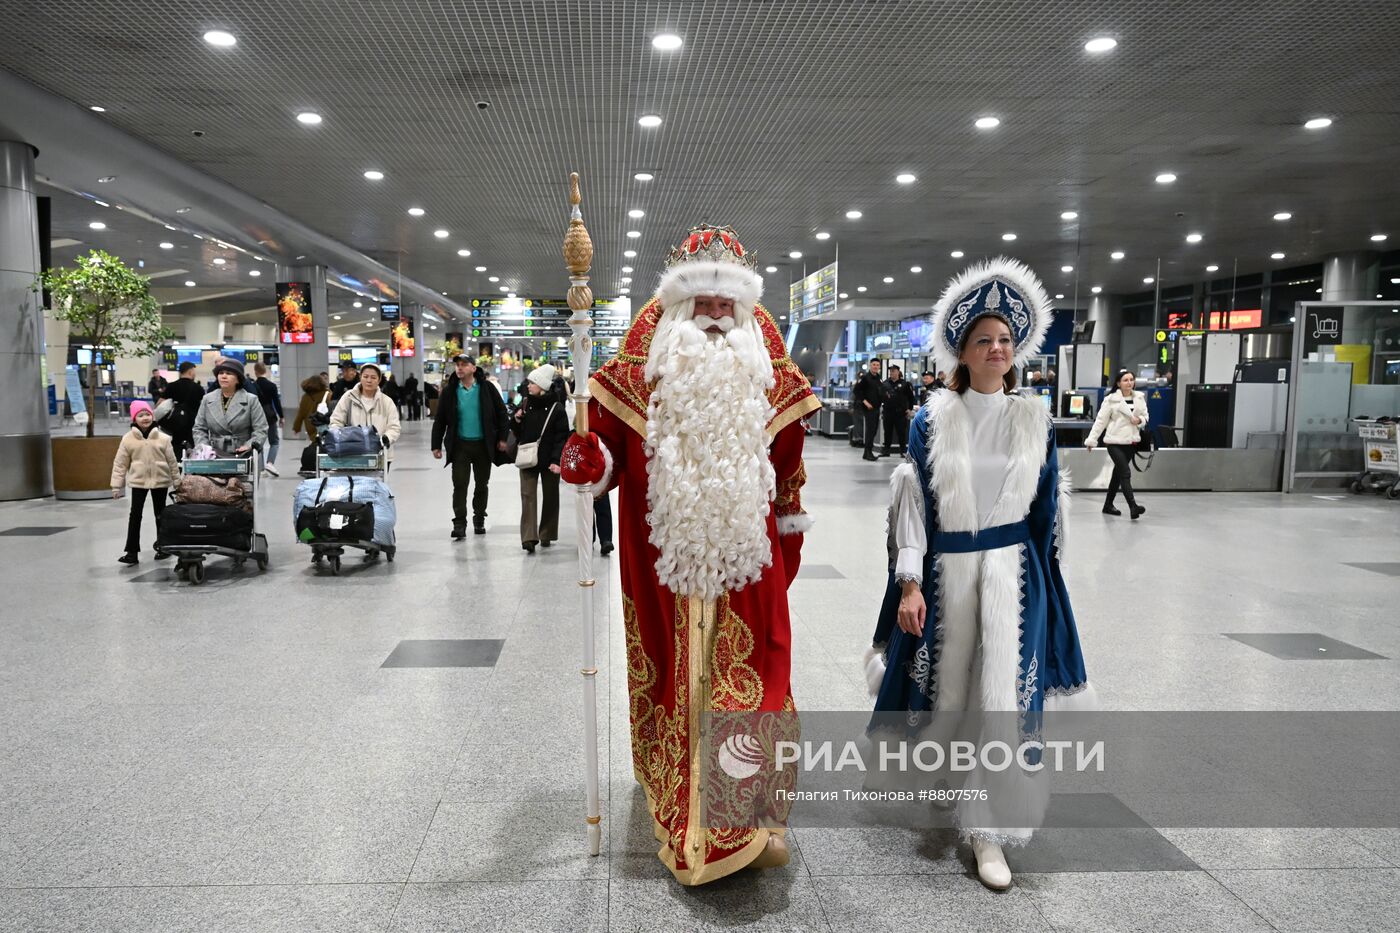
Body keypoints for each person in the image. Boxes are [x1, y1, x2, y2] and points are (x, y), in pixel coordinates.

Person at [561, 224, 821, 885]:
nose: (713, 312)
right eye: (700, 300)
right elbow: (607, 456)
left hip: (747, 563)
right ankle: (684, 814)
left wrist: (786, 545)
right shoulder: (639, 366)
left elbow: (788, 471)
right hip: (663, 569)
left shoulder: (766, 365)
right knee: (674, 682)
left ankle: (751, 819)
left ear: (742, 307)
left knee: (754, 673)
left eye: (724, 301)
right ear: (678, 304)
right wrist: (588, 461)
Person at [866, 258, 1094, 891]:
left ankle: (990, 831)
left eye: (1004, 339)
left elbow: (1048, 514)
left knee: (1004, 702)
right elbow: (912, 505)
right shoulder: (930, 420)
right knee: (947, 693)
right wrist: (909, 583)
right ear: (962, 352)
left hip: (1015, 583)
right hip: (946, 576)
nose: (997, 349)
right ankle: (949, 791)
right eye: (983, 340)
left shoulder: (1034, 421)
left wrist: (1048, 590)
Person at [431, 353, 509, 538]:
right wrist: (436, 444)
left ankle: (479, 518)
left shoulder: (487, 388)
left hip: (483, 446)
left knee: (482, 484)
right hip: (460, 447)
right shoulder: (450, 391)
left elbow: (502, 413)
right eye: (457, 365)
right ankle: (459, 523)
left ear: (473, 368)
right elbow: (440, 419)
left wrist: (503, 438)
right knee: (460, 485)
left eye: (464, 365)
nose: (459, 368)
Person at [111, 400, 179, 566]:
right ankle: (131, 551)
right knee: (135, 515)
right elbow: (120, 463)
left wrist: (177, 481)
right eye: (140, 415)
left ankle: (163, 547)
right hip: (138, 482)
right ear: (134, 419)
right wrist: (116, 485)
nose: (145, 418)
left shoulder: (164, 438)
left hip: (160, 481)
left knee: (161, 515)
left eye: (147, 414)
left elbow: (172, 461)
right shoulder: (127, 440)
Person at [510, 364, 570, 553]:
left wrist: (556, 460)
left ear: (542, 385)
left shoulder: (557, 408)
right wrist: (517, 420)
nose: (528, 385)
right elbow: (518, 432)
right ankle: (528, 537)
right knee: (527, 496)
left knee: (551, 496)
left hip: (549, 460)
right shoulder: (526, 404)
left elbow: (562, 437)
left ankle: (547, 533)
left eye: (532, 382)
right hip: (528, 458)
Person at [1086, 369, 1149, 518]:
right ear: (1118, 383)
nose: (1129, 383)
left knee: (1118, 474)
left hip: (1131, 442)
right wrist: (1092, 440)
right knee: (1126, 473)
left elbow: (1146, 416)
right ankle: (1133, 506)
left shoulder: (1139, 397)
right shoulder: (1111, 400)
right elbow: (1100, 422)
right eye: (1125, 380)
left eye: (1131, 380)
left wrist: (1140, 420)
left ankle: (1108, 505)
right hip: (1114, 442)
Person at [192, 358, 269, 457]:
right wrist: (204, 447)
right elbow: (199, 428)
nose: (224, 376)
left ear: (238, 379)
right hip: (213, 454)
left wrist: (249, 446)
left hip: (242, 453)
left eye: (229, 373)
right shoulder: (207, 399)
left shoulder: (251, 400)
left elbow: (261, 429)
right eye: (221, 373)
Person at [330, 362, 402, 463]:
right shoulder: (348, 397)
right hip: (352, 453)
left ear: (379, 380)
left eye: (373, 377)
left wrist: (385, 440)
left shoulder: (387, 402)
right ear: (360, 377)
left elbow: (394, 427)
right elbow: (336, 420)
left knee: (378, 479)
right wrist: (340, 437)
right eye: (366, 376)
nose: (369, 380)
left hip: (380, 454)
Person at [159, 362, 204, 461]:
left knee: (176, 445)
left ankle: (177, 465)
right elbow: (204, 407)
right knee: (192, 445)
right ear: (190, 371)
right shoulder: (198, 388)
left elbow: (160, 404)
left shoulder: (171, 386)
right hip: (193, 422)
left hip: (176, 422)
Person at [251, 363, 284, 477]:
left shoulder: (252, 386)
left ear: (255, 371)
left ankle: (260, 469)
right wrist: (282, 416)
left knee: (258, 442)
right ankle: (270, 462)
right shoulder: (272, 386)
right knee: (274, 441)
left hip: (256, 416)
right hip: (270, 416)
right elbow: (276, 402)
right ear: (265, 371)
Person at [881, 364, 917, 456]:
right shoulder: (885, 384)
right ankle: (886, 451)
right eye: (890, 371)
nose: (891, 372)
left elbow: (911, 398)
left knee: (901, 432)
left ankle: (903, 451)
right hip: (888, 412)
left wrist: (910, 409)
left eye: (893, 371)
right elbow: (881, 396)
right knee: (887, 432)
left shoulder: (905, 384)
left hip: (900, 413)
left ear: (898, 372)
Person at [851, 359, 884, 461]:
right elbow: (856, 391)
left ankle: (867, 452)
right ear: (870, 366)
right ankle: (868, 452)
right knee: (870, 430)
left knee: (874, 430)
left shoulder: (879, 378)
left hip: (877, 408)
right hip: (868, 408)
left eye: (877, 365)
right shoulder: (865, 378)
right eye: (874, 365)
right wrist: (865, 402)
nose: (875, 366)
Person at [292, 374, 329, 444]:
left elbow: (300, 414)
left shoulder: (305, 397)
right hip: (323, 426)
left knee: (314, 445)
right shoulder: (328, 394)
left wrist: (296, 428)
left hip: (310, 426)